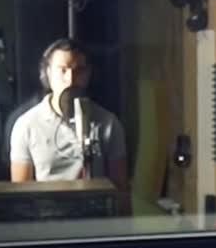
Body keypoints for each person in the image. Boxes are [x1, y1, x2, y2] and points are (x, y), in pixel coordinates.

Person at [9, 39, 128, 191]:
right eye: (63, 70)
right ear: (47, 74)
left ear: (88, 74)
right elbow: (20, 194)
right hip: (47, 214)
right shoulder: (26, 125)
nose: (71, 79)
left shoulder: (109, 123)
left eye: (79, 70)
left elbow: (120, 190)